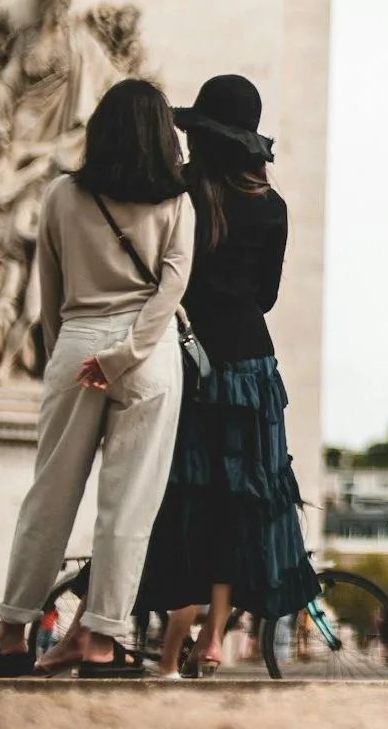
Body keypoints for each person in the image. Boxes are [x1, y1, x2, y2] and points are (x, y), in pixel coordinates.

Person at [0, 79, 194, 679]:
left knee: (49, 497)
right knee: (128, 508)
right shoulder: (177, 200)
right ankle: (100, 643)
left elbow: (48, 293)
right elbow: (172, 289)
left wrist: (66, 359)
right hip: (148, 357)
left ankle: (12, 636)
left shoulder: (60, 196)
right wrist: (127, 355)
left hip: (77, 344)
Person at [132, 74, 321, 679]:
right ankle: (213, 636)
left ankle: (167, 647)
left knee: (189, 500)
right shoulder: (273, 207)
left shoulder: (181, 196)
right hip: (251, 365)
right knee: (243, 502)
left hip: (188, 360)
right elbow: (265, 296)